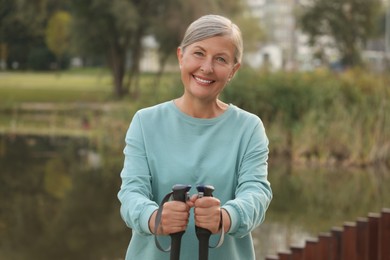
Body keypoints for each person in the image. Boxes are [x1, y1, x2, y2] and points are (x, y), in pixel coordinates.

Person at [118, 14, 272, 260]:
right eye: (199, 53)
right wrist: (155, 218)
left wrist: (225, 217)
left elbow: (256, 194)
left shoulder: (249, 128)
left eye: (220, 59)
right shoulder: (145, 123)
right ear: (181, 56)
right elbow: (131, 193)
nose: (207, 67)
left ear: (233, 70)